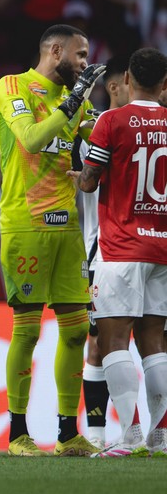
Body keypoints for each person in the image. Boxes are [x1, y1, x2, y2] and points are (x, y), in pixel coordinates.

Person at [0, 23, 104, 457]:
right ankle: (17, 432)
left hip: (68, 229)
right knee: (26, 332)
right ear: (54, 51)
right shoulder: (12, 86)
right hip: (25, 224)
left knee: (76, 333)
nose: (84, 64)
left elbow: (106, 141)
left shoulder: (79, 102)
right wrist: (74, 102)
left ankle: (66, 432)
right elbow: (33, 139)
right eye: (79, 55)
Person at [78, 47, 167, 457]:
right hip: (162, 247)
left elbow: (91, 181)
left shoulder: (111, 121)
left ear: (127, 80)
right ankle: (161, 436)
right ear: (164, 84)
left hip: (120, 246)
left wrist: (83, 178)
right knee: (155, 340)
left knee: (114, 339)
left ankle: (129, 438)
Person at [73, 55, 129, 449]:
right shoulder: (93, 130)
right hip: (102, 248)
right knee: (100, 341)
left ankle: (144, 432)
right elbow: (90, 178)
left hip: (146, 247)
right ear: (118, 84)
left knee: (152, 338)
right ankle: (96, 434)